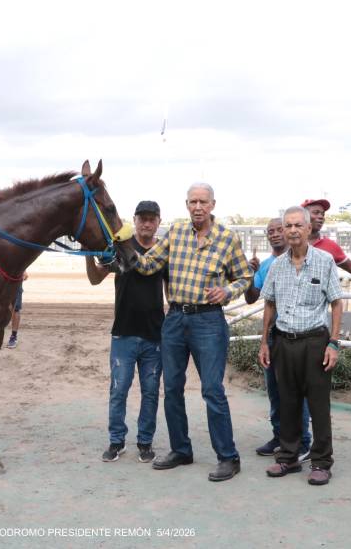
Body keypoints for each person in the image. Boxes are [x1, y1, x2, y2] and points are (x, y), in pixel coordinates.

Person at [135, 182, 253, 482]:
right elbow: (149, 265)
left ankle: (228, 457)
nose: (197, 207)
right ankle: (181, 450)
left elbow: (244, 276)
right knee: (172, 388)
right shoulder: (175, 232)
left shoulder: (227, 238)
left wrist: (227, 291)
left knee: (212, 390)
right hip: (175, 319)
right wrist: (123, 249)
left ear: (213, 204)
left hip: (208, 322)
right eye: (192, 202)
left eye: (203, 202)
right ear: (186, 205)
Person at [259, 205, 343, 486]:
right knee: (288, 403)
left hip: (316, 342)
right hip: (284, 342)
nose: (293, 230)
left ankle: (321, 462)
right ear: (283, 230)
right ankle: (288, 458)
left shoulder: (325, 260)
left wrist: (334, 342)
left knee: (318, 405)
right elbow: (269, 303)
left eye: (298, 225)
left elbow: (336, 302)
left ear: (308, 229)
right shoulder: (276, 266)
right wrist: (265, 342)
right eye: (288, 226)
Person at [85, 200, 167, 464]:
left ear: (158, 222)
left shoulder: (163, 252)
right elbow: (95, 279)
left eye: (151, 219)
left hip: (154, 336)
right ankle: (116, 441)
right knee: (119, 390)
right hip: (123, 334)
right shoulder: (123, 247)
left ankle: (145, 442)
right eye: (142, 218)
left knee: (151, 391)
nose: (146, 223)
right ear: (135, 219)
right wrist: (88, 253)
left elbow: (171, 291)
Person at [245, 218, 312, 462]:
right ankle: (280, 436)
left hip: (297, 337)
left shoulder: (305, 260)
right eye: (270, 232)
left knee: (296, 393)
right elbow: (253, 298)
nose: (274, 235)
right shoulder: (266, 265)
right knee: (274, 392)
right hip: (273, 337)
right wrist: (249, 275)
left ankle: (303, 441)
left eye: (277, 230)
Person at [7, 272, 29, 349]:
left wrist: (23, 271)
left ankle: (13, 336)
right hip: (0, 278)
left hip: (15, 279)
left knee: (15, 308)